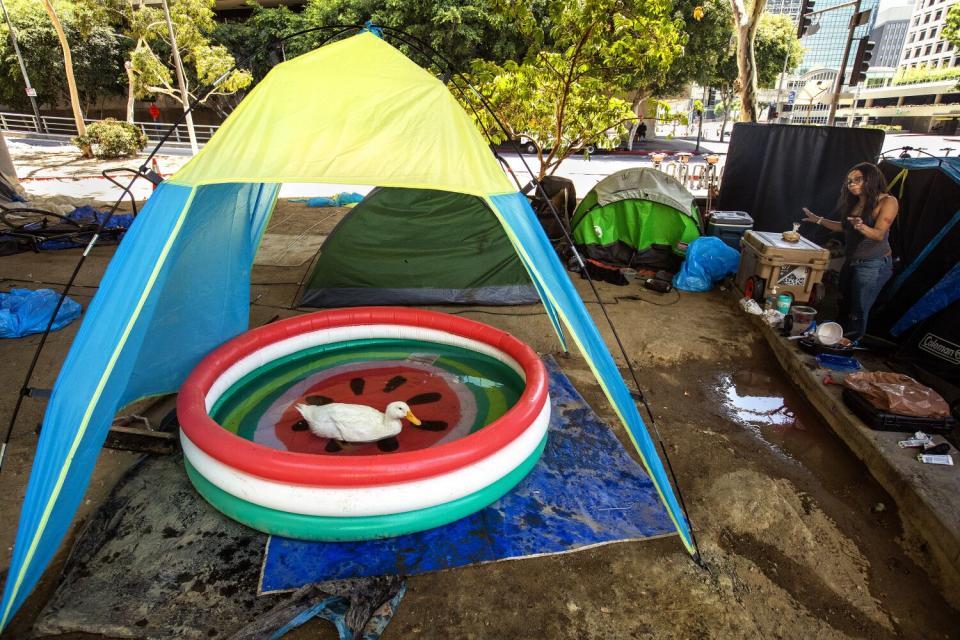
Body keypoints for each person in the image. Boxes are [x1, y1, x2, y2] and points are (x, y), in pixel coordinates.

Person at [801, 162, 899, 341]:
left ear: (871, 178)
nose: (852, 184)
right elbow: (845, 227)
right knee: (844, 301)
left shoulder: (887, 201)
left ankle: (850, 345)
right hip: (853, 260)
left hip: (873, 264)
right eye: (850, 181)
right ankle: (836, 339)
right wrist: (818, 220)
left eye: (858, 179)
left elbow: (878, 234)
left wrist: (861, 227)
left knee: (859, 308)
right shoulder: (857, 202)